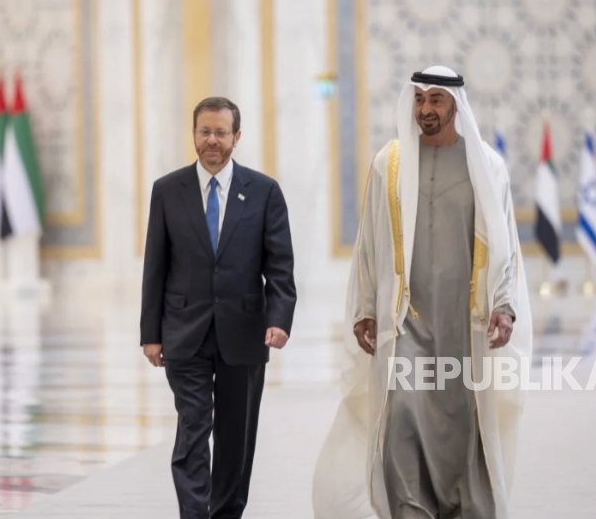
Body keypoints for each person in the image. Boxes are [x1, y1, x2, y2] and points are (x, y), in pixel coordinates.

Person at [312, 66, 532, 519]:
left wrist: (505, 306)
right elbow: (368, 245)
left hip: (463, 327)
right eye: (419, 100)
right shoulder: (388, 164)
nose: (426, 110)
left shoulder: (485, 166)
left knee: (459, 434)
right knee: (401, 423)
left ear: (455, 105)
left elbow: (505, 244)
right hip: (404, 323)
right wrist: (364, 309)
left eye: (436, 100)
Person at [140, 96, 297, 519]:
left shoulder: (264, 191)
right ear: (194, 135)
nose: (212, 140)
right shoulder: (167, 191)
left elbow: (279, 265)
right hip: (184, 331)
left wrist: (279, 319)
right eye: (204, 131)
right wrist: (150, 334)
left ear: (236, 137)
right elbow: (154, 266)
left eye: (221, 132)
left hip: (244, 332)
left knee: (235, 437)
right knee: (193, 427)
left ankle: (226, 513)